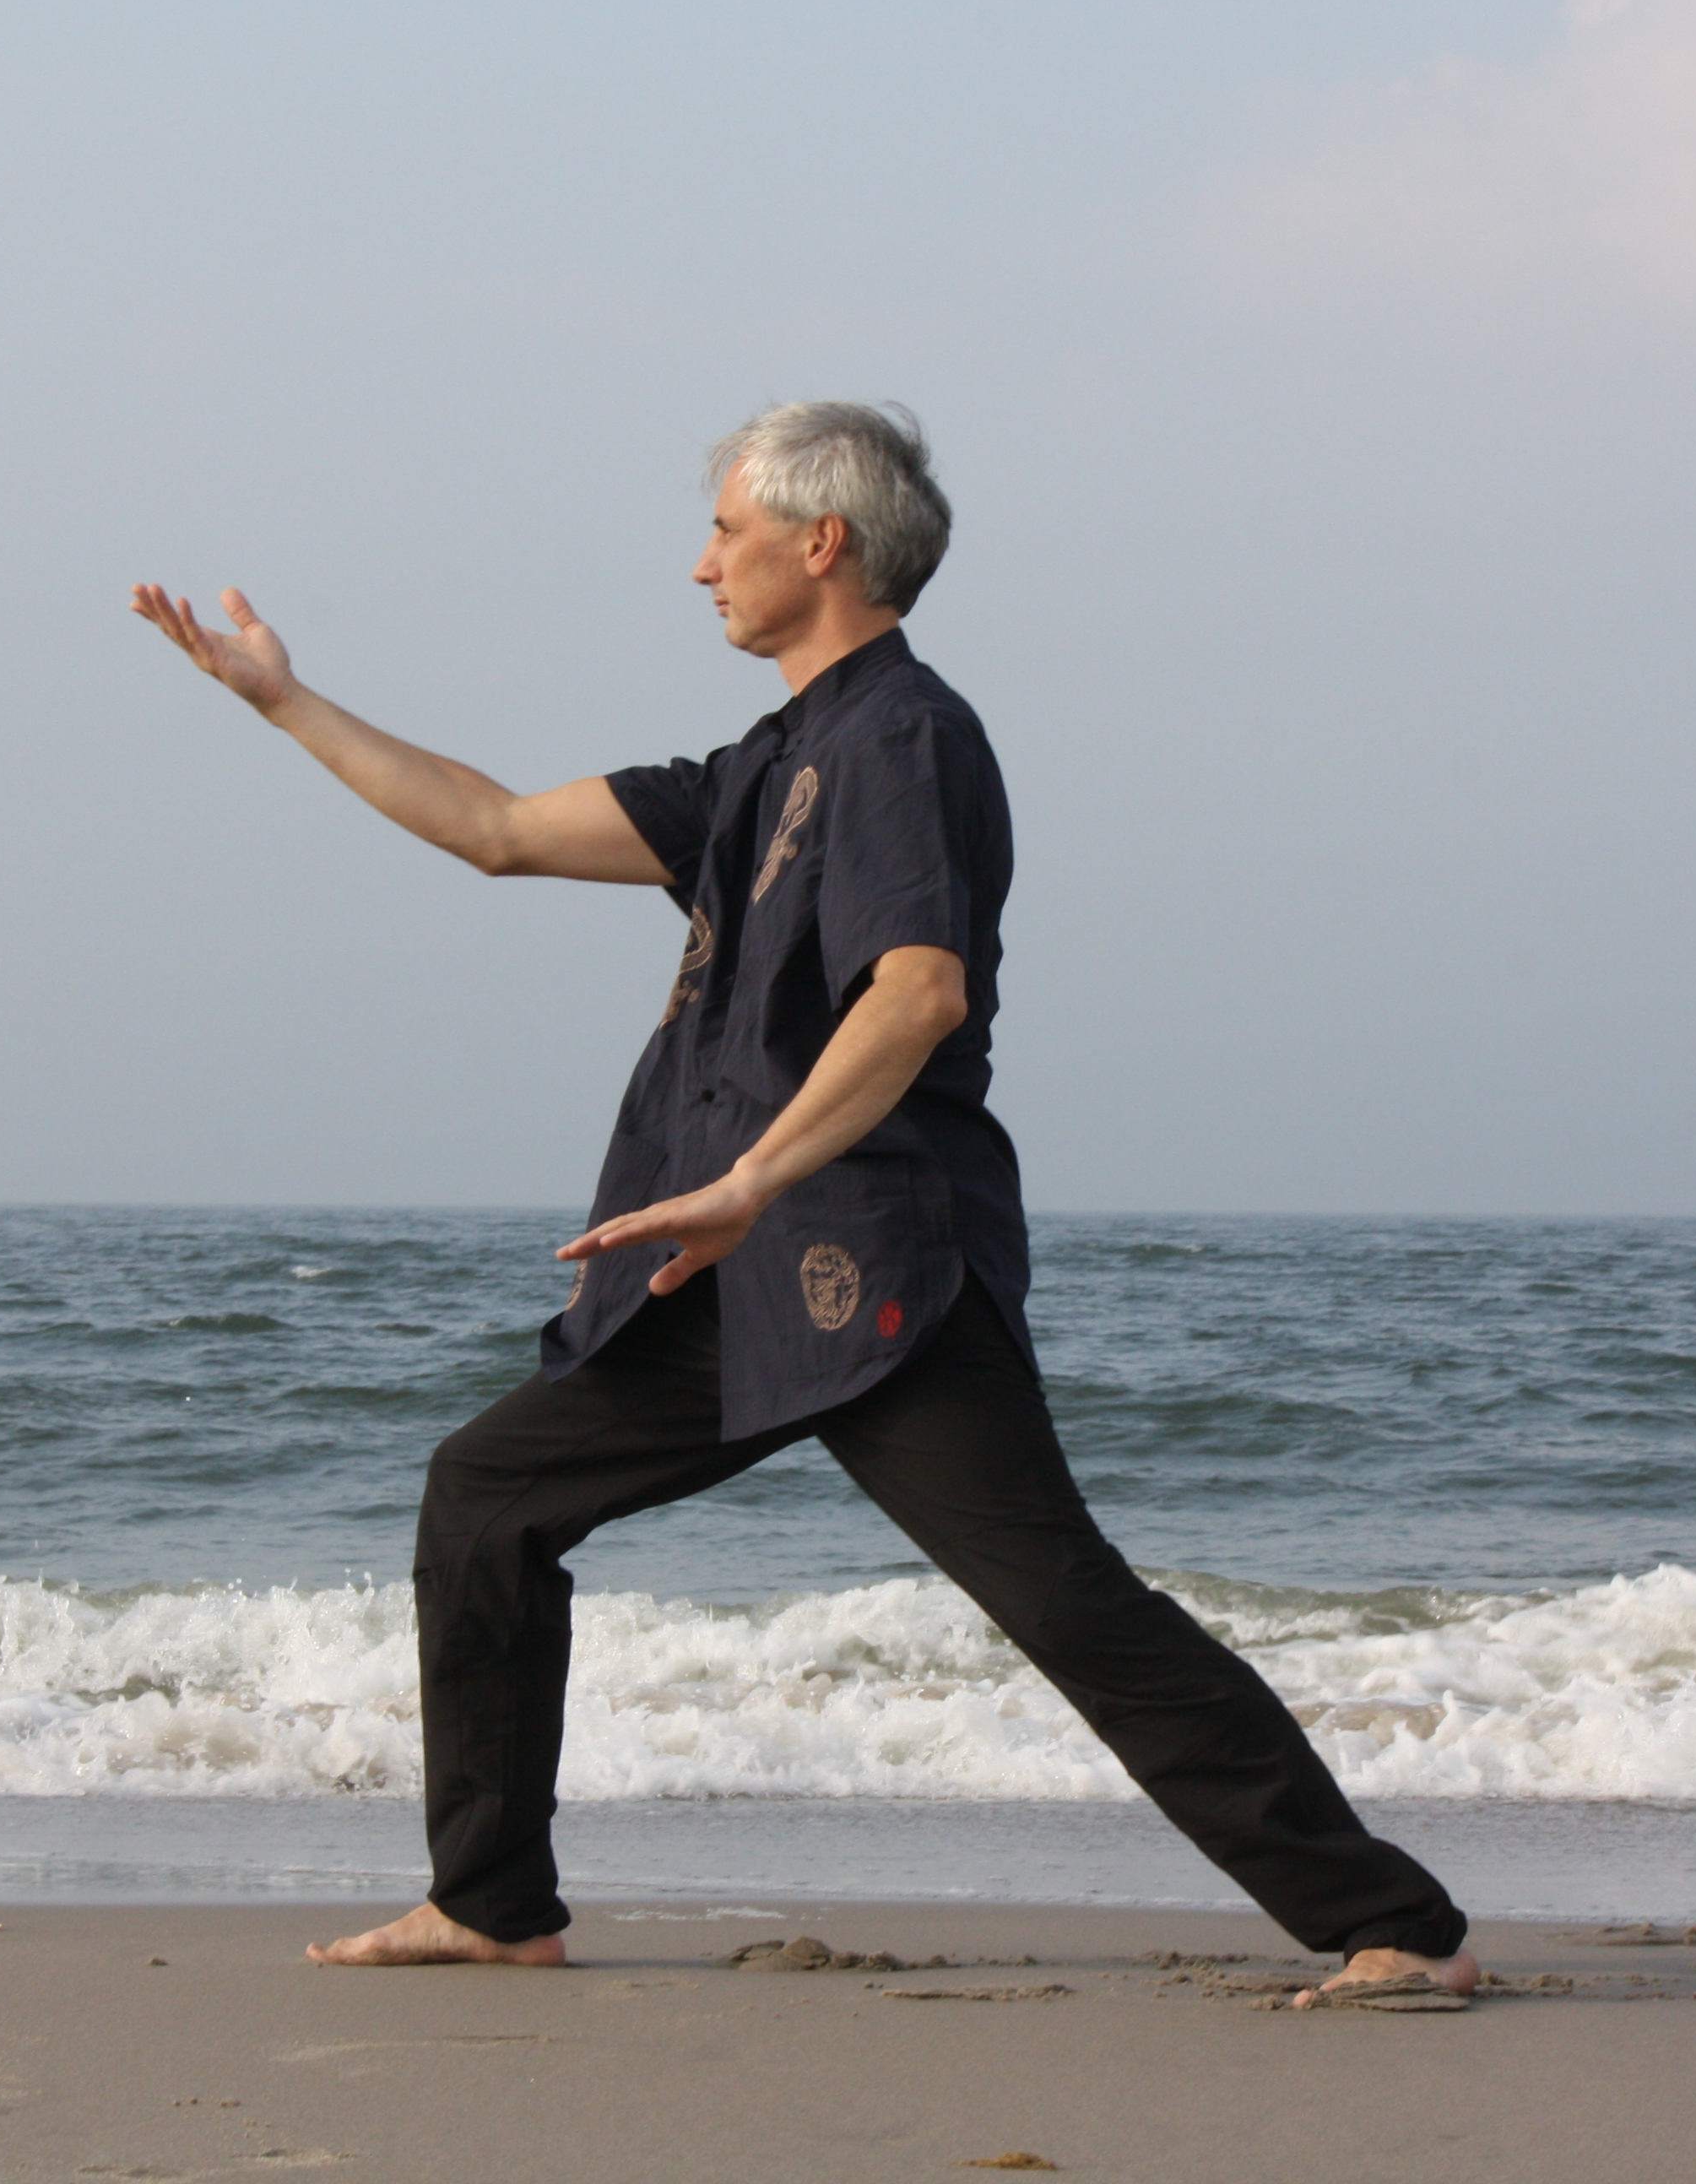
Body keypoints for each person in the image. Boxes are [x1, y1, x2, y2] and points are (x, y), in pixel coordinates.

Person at [129, 402, 1476, 2007]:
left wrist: (757, 1179)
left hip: (877, 1269)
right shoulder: (756, 772)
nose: (701, 564)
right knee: (487, 1501)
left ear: (820, 540)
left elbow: (915, 993)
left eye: (726, 530)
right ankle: (490, 1903)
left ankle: (1395, 1927)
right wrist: (284, 702)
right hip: (730, 1268)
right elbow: (493, 830)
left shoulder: (905, 738)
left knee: (1065, 1600)